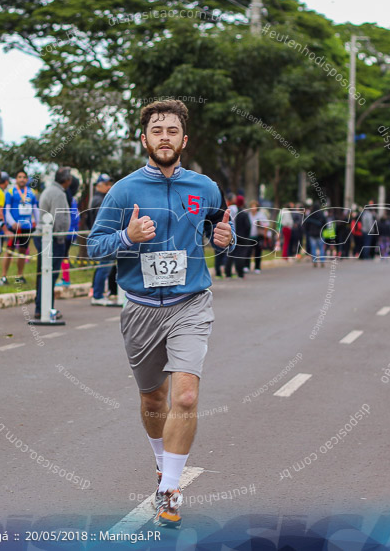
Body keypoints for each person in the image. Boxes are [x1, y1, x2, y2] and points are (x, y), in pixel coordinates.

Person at [86, 99, 234, 529]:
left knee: (185, 396)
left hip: (191, 304)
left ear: (184, 140)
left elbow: (215, 232)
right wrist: (128, 237)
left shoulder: (205, 188)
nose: (164, 137)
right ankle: (160, 463)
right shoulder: (124, 191)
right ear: (145, 138)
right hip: (142, 309)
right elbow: (93, 247)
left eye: (172, 130)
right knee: (154, 398)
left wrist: (225, 238)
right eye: (157, 130)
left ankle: (170, 489)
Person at [34, 167, 72, 320]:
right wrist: (61, 237)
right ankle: (45, 307)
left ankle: (41, 307)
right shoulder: (58, 194)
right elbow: (59, 217)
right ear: (67, 180)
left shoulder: (49, 190)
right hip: (53, 238)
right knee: (50, 273)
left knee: (43, 273)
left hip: (43, 236)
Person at [3, 169, 39, 284]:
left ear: (27, 179)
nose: (22, 179)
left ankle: (20, 276)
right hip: (14, 227)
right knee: (10, 251)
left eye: (24, 177)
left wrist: (37, 222)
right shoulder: (10, 192)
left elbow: (35, 209)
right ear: (16, 179)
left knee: (23, 251)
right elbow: (6, 210)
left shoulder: (31, 192)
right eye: (19, 177)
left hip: (26, 227)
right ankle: (4, 276)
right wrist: (12, 223)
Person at [87, 174, 115, 305]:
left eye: (110, 184)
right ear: (98, 185)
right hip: (102, 237)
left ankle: (99, 293)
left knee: (105, 266)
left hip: (101, 236)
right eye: (106, 184)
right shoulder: (99, 200)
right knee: (104, 266)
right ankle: (97, 295)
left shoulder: (100, 198)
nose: (109, 186)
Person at [248, 200, 268, 272]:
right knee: (248, 251)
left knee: (258, 252)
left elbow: (266, 224)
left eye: (255, 206)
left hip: (258, 236)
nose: (253, 208)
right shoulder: (248, 215)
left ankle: (257, 267)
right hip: (249, 236)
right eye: (252, 206)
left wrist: (260, 224)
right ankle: (247, 266)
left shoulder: (261, 215)